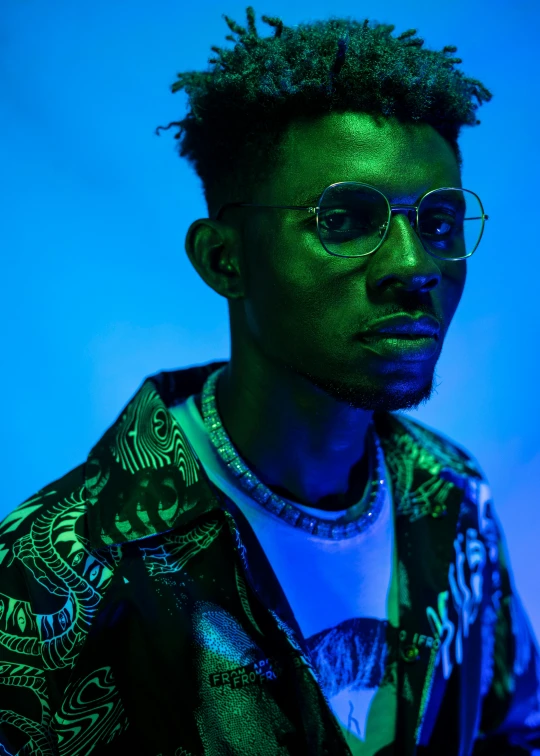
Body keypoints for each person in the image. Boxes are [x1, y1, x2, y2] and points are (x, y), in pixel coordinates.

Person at [1, 7, 539, 755]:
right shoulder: (58, 571)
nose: (416, 268)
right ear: (225, 259)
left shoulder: (451, 495)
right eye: (347, 220)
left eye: (440, 222)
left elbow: (513, 734)